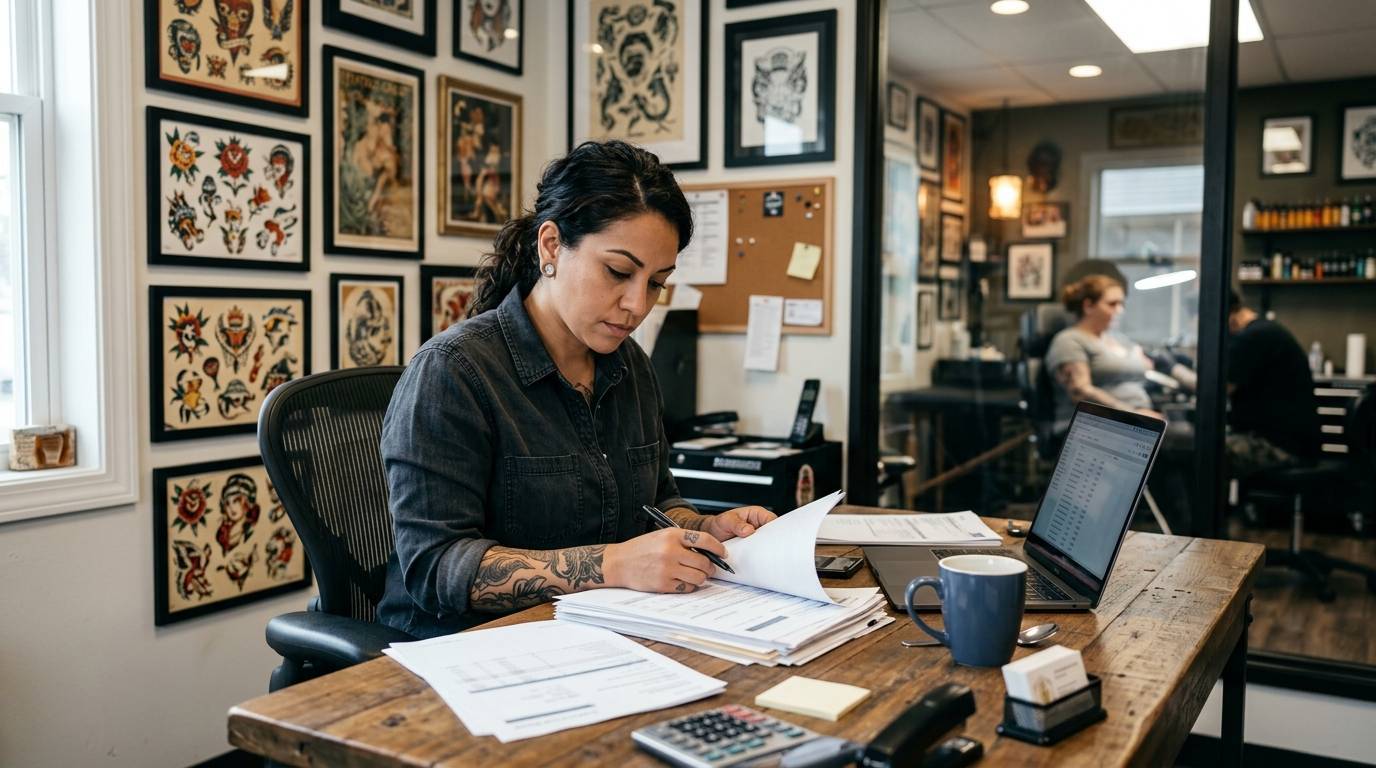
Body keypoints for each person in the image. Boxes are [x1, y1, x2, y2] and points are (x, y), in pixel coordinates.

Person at [378, 140, 777, 638]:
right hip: (465, 650)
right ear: (550, 246)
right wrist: (613, 565)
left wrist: (704, 529)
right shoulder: (453, 372)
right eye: (618, 271)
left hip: (594, 634)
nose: (637, 305)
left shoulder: (630, 366)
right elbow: (435, 568)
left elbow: (657, 503)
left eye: (656, 282)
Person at [1045, 275, 1163, 430]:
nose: (1120, 310)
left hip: (1136, 422)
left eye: (1121, 304)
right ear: (1088, 306)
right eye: (1112, 304)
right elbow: (1080, 391)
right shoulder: (1069, 340)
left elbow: (1147, 365)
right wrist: (1133, 414)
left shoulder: (1121, 340)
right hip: (1094, 426)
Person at [1226, 291, 1319, 476]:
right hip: (1292, 443)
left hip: (1280, 447)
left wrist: (1173, 368)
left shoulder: (1252, 337)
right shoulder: (1266, 330)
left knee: (1200, 450)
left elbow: (1216, 389)